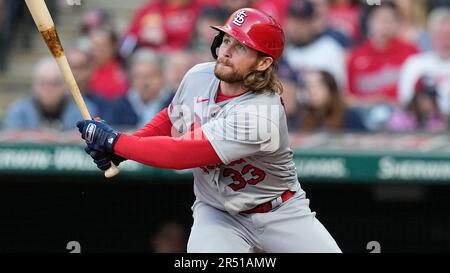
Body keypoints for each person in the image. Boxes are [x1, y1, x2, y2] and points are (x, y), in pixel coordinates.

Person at [76, 8, 341, 253]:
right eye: (226, 40)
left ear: (262, 63)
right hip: (218, 213)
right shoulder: (198, 76)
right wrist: (125, 147)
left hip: (280, 213)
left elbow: (179, 155)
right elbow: (171, 118)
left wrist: (115, 142)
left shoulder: (263, 113)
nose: (226, 50)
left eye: (240, 47)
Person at [4, 57, 98, 131]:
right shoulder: (19, 110)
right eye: (42, 83)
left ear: (65, 85)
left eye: (55, 83)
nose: (48, 89)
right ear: (34, 85)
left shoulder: (82, 110)